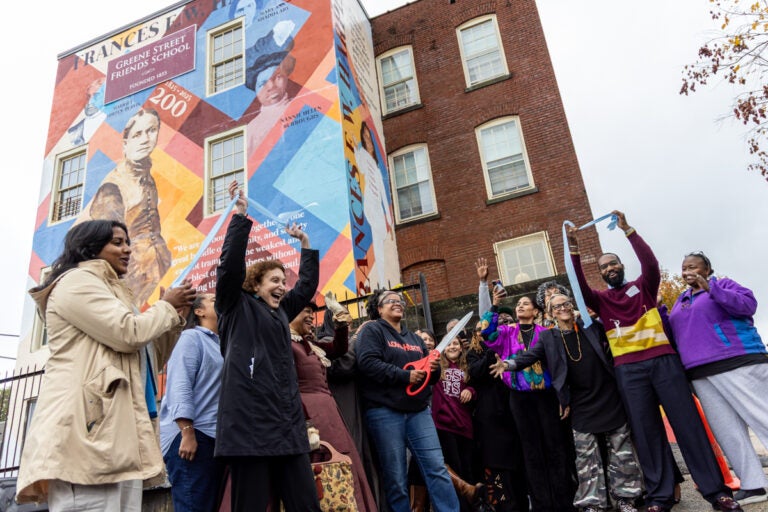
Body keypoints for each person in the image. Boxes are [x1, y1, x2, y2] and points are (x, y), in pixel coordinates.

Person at [567, 210, 741, 512]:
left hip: (664, 363)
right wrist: (574, 252)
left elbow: (650, 263)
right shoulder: (601, 300)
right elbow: (580, 287)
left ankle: (716, 492)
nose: (610, 269)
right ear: (602, 274)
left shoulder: (644, 286)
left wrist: (628, 231)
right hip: (629, 372)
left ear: (621, 266)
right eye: (604, 267)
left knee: (689, 427)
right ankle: (659, 497)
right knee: (647, 433)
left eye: (613, 263)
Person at [16, 219, 195, 510]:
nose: (127, 250)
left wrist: (174, 316)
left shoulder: (115, 293)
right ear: (90, 247)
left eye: (128, 243)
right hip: (87, 434)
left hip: (119, 435)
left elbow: (148, 360)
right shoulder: (76, 282)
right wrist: (163, 307)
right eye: (118, 242)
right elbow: (129, 333)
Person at [214, 181, 321, 511]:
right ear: (255, 285)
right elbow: (229, 266)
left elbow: (305, 287)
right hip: (249, 431)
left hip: (287, 430)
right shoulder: (235, 306)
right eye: (274, 280)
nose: (282, 286)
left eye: (283, 280)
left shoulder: (282, 312)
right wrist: (240, 217)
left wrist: (304, 244)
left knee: (306, 505)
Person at [492, 293, 643, 512]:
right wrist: (508, 365)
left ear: (573, 306)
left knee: (621, 452)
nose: (562, 308)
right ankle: (593, 504)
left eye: (566, 304)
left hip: (607, 396)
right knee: (586, 457)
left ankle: (625, 499)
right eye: (556, 307)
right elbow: (529, 356)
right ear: (550, 313)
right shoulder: (549, 337)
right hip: (580, 401)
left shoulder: (590, 327)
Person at [668, 251, 768, 506]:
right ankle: (754, 484)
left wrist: (711, 288)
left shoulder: (724, 285)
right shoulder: (681, 300)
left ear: (707, 269)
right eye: (684, 267)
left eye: (694, 266)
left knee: (762, 417)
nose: (688, 271)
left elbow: (748, 306)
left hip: (738, 361)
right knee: (728, 431)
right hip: (701, 373)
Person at [356, 289, 460, 512]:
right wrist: (405, 376)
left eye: (400, 300)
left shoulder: (414, 338)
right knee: (396, 477)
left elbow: (430, 377)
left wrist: (432, 370)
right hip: (384, 412)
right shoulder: (372, 331)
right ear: (378, 308)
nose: (397, 303)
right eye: (390, 300)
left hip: (418, 412)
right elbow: (368, 364)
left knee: (437, 469)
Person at [481, 291, 577, 511]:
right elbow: (486, 332)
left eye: (526, 304)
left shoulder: (547, 333)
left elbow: (560, 366)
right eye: (518, 304)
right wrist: (495, 305)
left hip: (546, 396)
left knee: (555, 448)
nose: (520, 306)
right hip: (519, 398)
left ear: (536, 311)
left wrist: (563, 397)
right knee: (530, 450)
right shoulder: (506, 332)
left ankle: (564, 502)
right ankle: (542, 504)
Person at [79, 107, 171, 308]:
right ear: (126, 143)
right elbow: (106, 252)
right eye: (138, 134)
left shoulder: (147, 176)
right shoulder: (113, 187)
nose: (146, 139)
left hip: (155, 269)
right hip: (130, 281)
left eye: (151, 130)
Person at [289, 302, 378, 511]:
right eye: (306, 311)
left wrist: (340, 325)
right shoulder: (284, 343)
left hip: (329, 414)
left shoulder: (309, 344)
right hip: (308, 415)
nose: (311, 316)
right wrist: (304, 421)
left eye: (313, 312)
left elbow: (339, 349)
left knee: (342, 465)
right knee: (318, 470)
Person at [159, 293, 225, 512]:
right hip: (191, 435)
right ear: (199, 312)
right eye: (214, 301)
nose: (222, 300)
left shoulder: (222, 343)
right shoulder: (191, 338)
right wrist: (187, 431)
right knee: (194, 505)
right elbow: (180, 383)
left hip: (215, 437)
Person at [431, 337, 483, 511]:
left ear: (462, 348)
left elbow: (476, 387)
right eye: (449, 344)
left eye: (456, 344)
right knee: (453, 470)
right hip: (444, 427)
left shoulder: (467, 368)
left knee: (468, 469)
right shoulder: (437, 368)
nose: (452, 347)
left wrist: (470, 390)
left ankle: (472, 506)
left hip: (465, 427)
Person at [354, 121, 396, 289]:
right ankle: (381, 283)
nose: (368, 139)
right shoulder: (363, 154)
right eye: (364, 136)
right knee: (377, 242)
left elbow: (384, 197)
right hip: (370, 204)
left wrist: (390, 221)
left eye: (368, 136)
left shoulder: (378, 168)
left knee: (380, 240)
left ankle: (383, 280)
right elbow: (362, 169)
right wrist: (357, 150)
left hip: (378, 205)